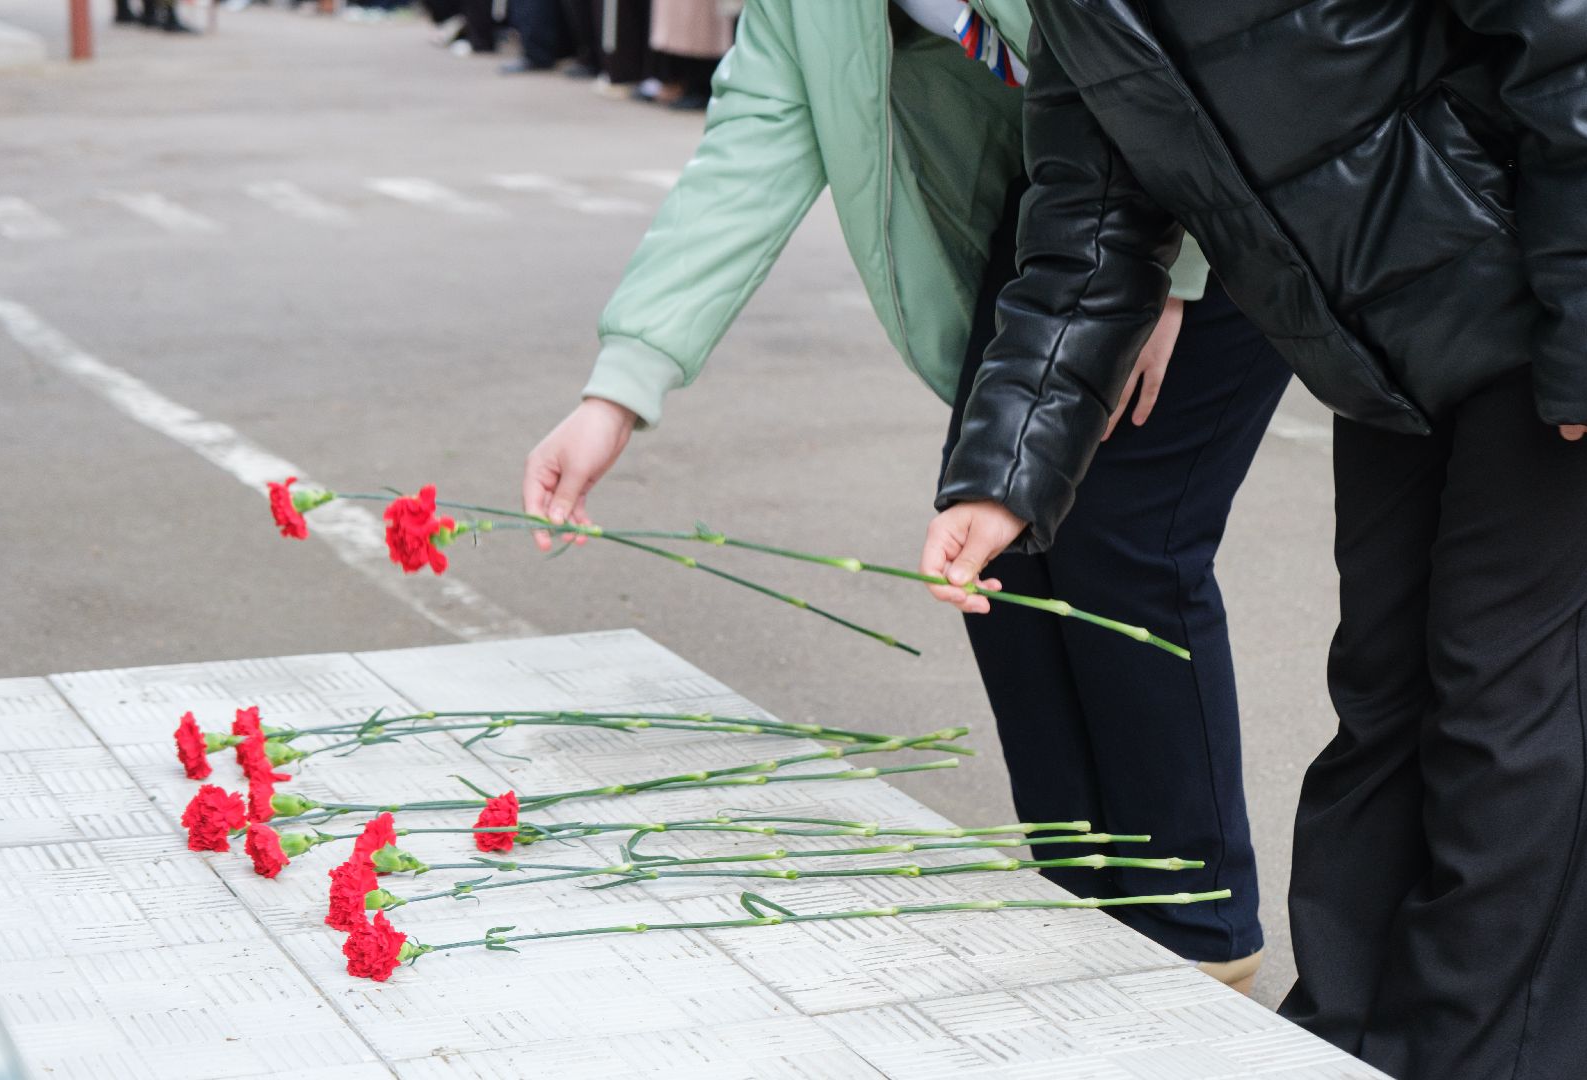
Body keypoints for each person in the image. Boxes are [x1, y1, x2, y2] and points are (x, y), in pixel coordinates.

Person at [523, 0, 1289, 993]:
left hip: (1218, 195)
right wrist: (619, 390)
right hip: (1061, 216)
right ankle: (1086, 893)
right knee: (998, 546)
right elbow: (759, 129)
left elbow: (1187, 39)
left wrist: (1171, 276)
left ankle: (1200, 926)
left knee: (1124, 542)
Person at [925, 3, 1587, 1077]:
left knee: (1511, 711)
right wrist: (1005, 479)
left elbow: (1585, 41)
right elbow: (1089, 235)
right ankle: (1345, 1039)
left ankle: (1493, 1052)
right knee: (1383, 696)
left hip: (1549, 306)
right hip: (1388, 351)